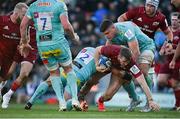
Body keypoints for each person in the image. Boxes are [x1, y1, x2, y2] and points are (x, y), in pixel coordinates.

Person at [24, 47, 141, 112]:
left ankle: (31, 101)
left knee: (48, 82)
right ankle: (79, 104)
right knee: (65, 104)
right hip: (78, 78)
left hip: (67, 70)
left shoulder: (86, 49)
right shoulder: (104, 59)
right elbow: (102, 71)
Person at [19, 0, 81, 111]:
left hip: (43, 46)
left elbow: (23, 25)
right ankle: (75, 99)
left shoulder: (33, 6)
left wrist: (24, 42)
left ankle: (61, 103)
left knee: (54, 73)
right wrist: (74, 37)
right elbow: (66, 26)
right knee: (68, 69)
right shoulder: (59, 4)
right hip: (58, 43)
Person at [100, 19, 156, 112]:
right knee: (124, 75)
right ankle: (135, 99)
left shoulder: (126, 31)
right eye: (105, 34)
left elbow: (136, 52)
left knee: (142, 72)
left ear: (113, 28)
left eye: (107, 33)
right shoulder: (110, 35)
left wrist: (133, 69)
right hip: (131, 50)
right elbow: (107, 50)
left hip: (146, 47)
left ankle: (149, 103)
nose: (106, 36)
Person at [94, 45, 159, 112]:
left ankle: (134, 98)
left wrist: (150, 100)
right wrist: (96, 64)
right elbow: (97, 50)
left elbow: (142, 82)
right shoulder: (112, 50)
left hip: (119, 72)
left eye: (127, 62)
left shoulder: (131, 64)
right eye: (124, 61)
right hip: (110, 67)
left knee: (125, 77)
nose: (125, 64)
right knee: (106, 94)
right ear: (119, 57)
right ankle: (98, 100)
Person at [0, 3, 37, 109]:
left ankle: (8, 95)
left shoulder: (32, 20)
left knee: (25, 74)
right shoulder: (5, 21)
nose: (26, 17)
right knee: (8, 73)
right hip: (15, 50)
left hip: (30, 49)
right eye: (24, 14)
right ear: (16, 13)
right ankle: (2, 86)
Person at [158, 12, 180, 111]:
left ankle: (177, 105)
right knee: (160, 81)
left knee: (175, 84)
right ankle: (176, 86)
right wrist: (162, 50)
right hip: (169, 61)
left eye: (176, 20)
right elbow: (166, 42)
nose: (174, 22)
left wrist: (173, 51)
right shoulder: (169, 30)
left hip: (178, 61)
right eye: (173, 19)